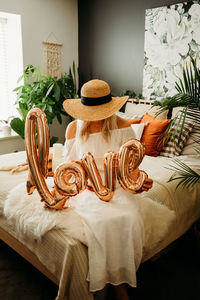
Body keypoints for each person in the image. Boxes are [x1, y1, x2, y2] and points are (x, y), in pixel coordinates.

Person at [63, 79, 153, 300]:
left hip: (117, 187)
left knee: (128, 218)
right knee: (99, 221)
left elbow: (131, 168)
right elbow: (69, 167)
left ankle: (118, 279)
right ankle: (113, 284)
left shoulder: (123, 127)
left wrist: (138, 182)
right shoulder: (74, 128)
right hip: (87, 188)